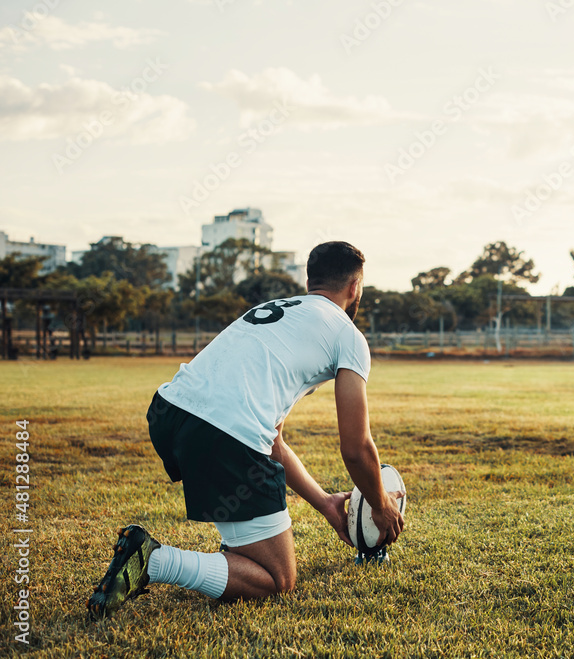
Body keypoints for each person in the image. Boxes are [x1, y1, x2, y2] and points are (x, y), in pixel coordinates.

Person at [87, 241, 404, 619]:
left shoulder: (272, 312)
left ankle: (234, 553)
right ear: (355, 288)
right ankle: (152, 561)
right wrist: (381, 506)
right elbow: (355, 447)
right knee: (277, 578)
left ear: (309, 281)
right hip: (223, 433)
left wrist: (326, 504)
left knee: (250, 543)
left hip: (169, 413)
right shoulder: (347, 335)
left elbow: (273, 442)